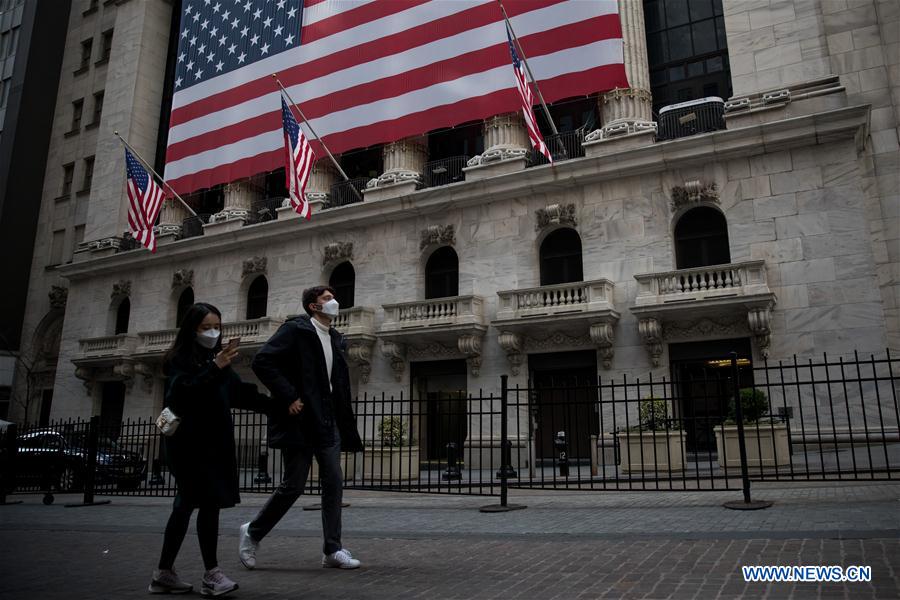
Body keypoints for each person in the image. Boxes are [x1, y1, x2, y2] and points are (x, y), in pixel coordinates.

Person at [239, 285, 363, 570]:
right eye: (327, 298)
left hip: (327, 420)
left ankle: (333, 549)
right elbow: (263, 361)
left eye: (333, 296)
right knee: (293, 485)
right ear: (313, 306)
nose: (334, 302)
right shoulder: (296, 330)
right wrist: (289, 396)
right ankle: (252, 532)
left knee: (333, 482)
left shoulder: (335, 338)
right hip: (301, 420)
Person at [150, 302, 269, 596]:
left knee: (188, 505)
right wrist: (214, 368)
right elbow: (182, 394)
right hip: (188, 445)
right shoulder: (180, 359)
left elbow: (240, 394)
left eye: (216, 326)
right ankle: (211, 574)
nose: (213, 332)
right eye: (206, 327)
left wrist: (282, 403)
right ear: (192, 329)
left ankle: (164, 573)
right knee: (204, 503)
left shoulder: (217, 360)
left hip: (214, 444)